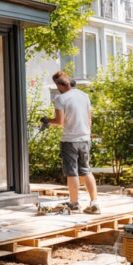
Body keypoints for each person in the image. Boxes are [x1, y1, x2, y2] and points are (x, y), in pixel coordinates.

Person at [44, 71, 100, 214]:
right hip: (85, 138)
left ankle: (74, 204)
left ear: (59, 85)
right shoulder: (84, 96)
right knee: (86, 170)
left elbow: (59, 122)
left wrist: (46, 120)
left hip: (70, 140)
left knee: (72, 172)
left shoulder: (60, 99)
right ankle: (94, 203)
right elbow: (89, 119)